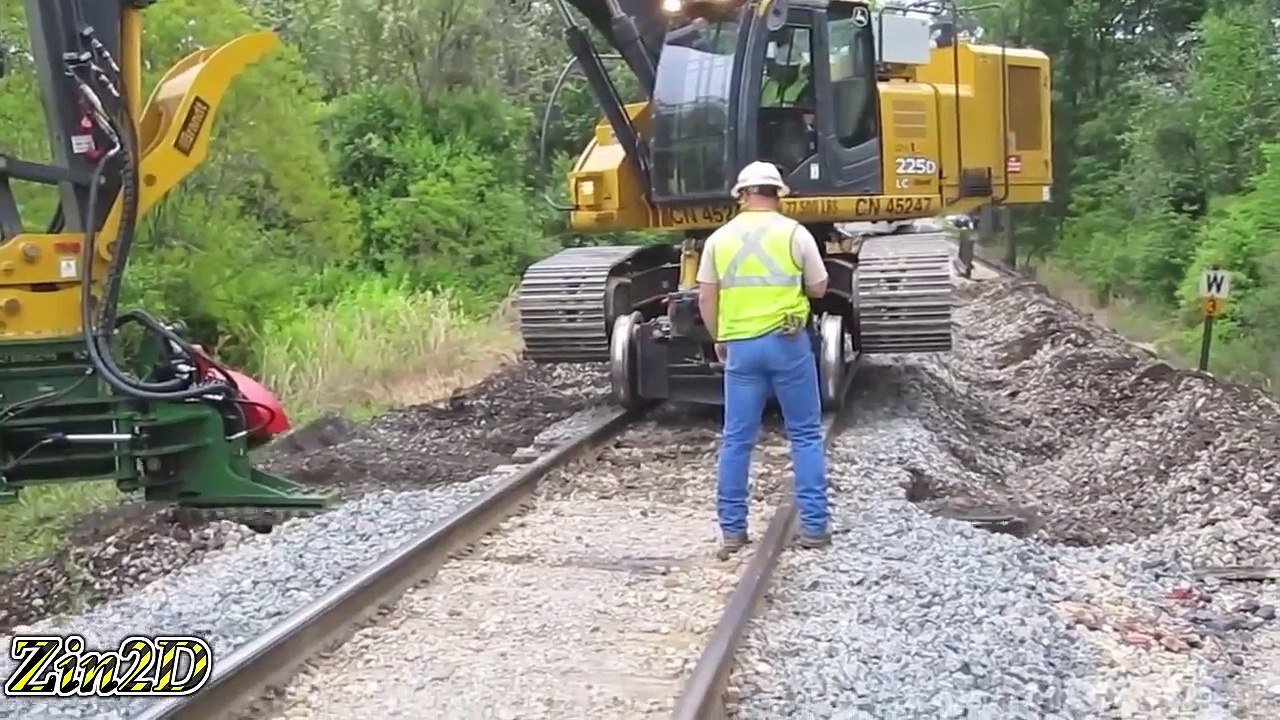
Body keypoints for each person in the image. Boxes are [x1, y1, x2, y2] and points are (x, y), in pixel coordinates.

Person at [696, 161, 832, 555]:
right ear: (778, 194)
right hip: (787, 343)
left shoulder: (719, 239)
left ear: (741, 195)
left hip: (741, 346)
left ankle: (733, 532)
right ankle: (814, 528)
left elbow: (706, 297)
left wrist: (719, 336)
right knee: (804, 434)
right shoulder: (795, 233)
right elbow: (819, 287)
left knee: (737, 439)